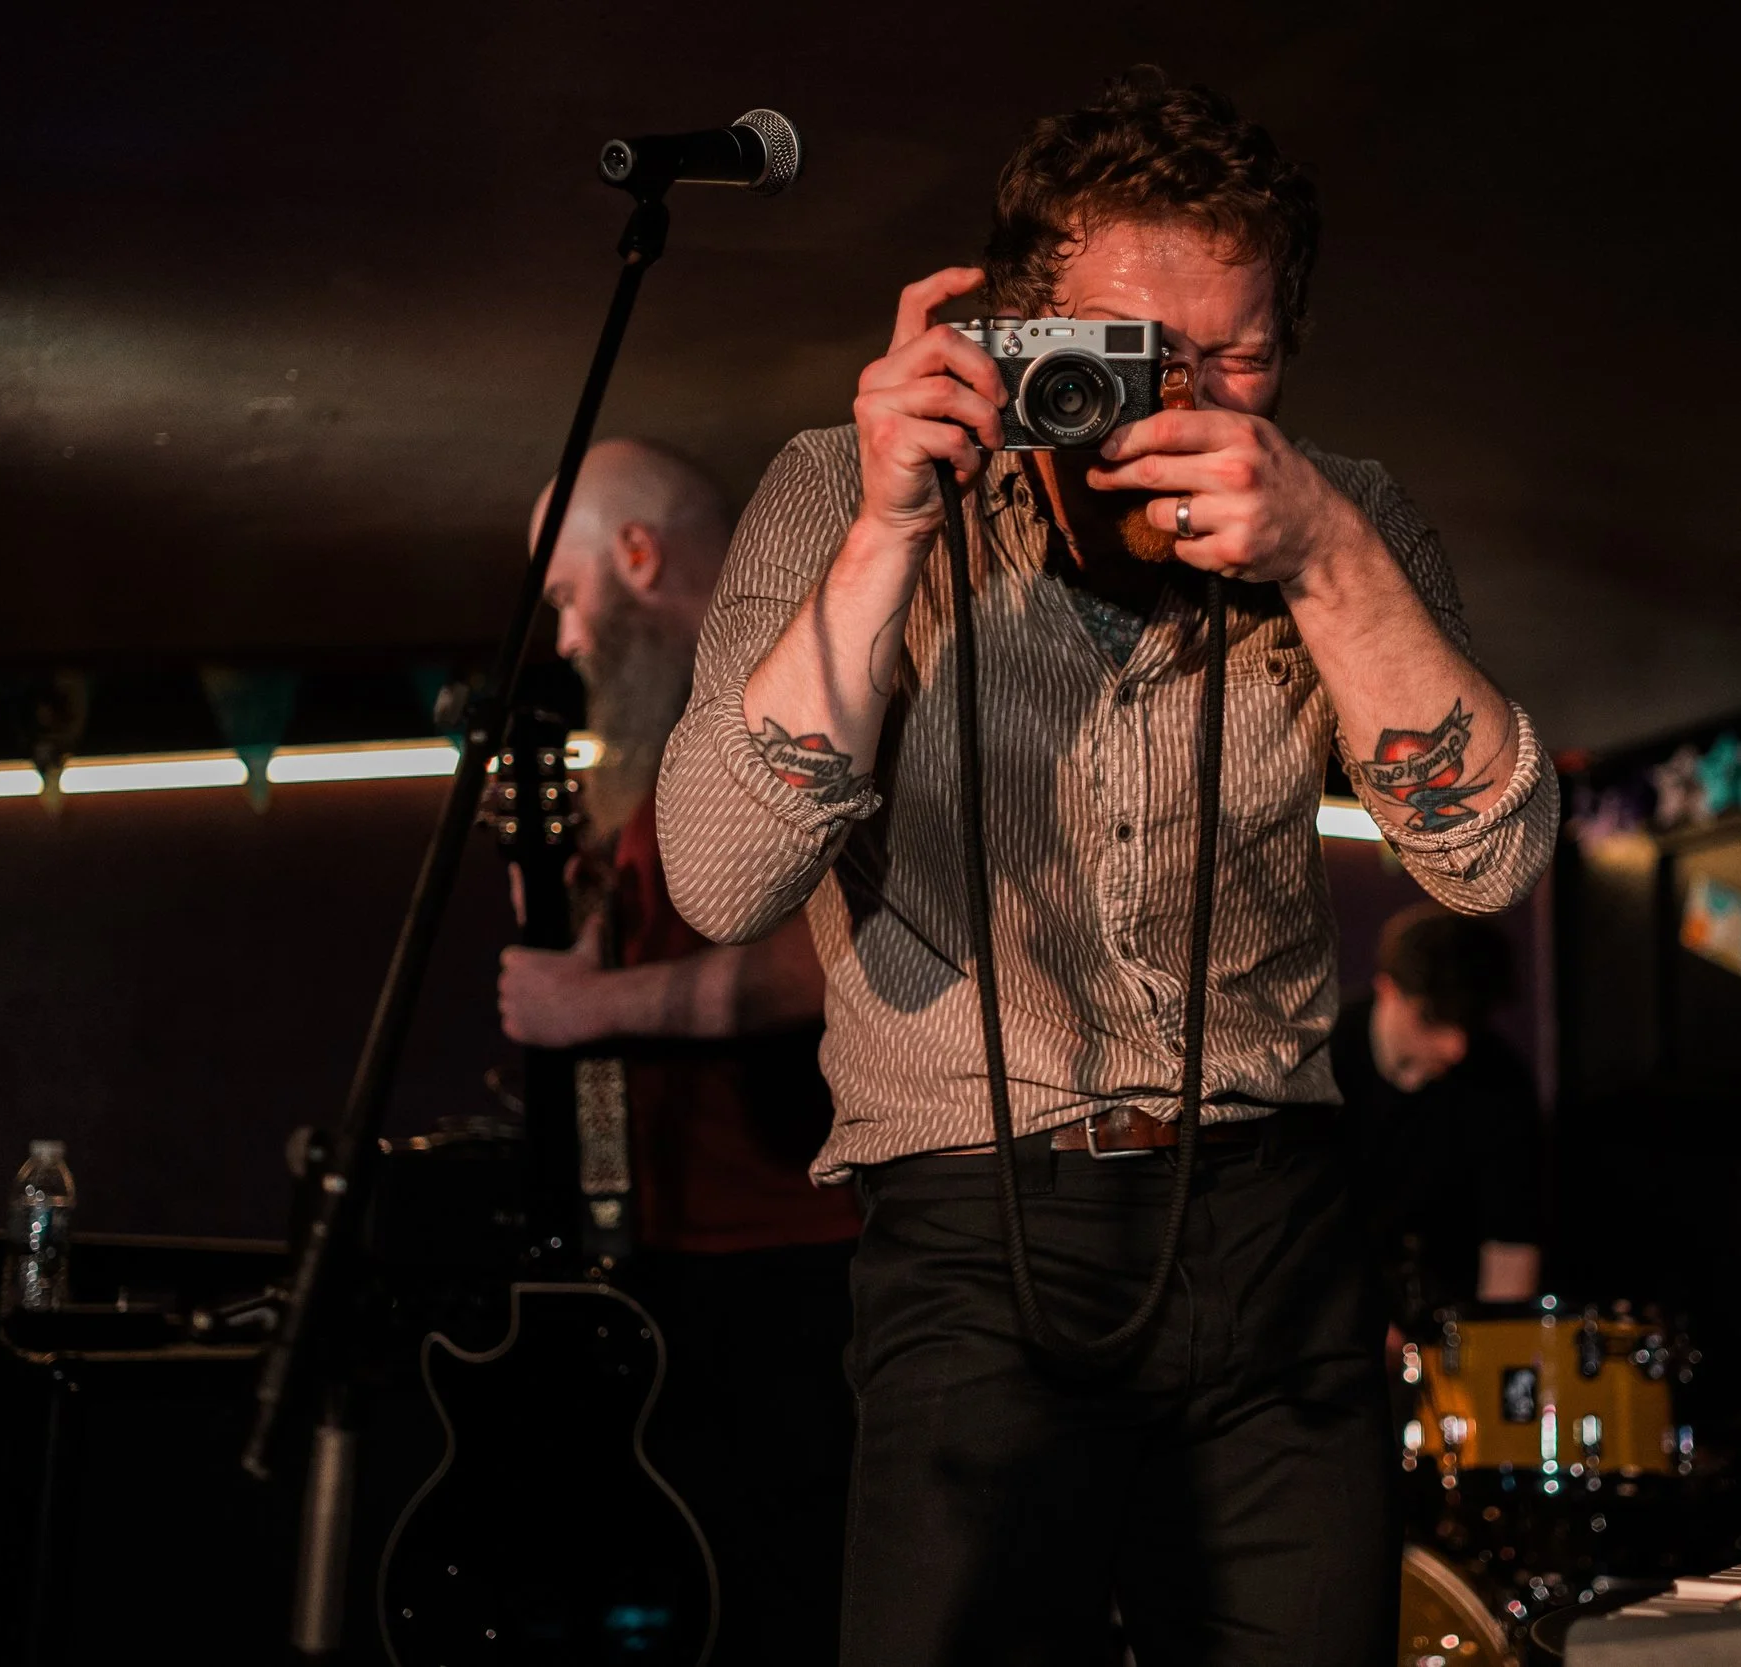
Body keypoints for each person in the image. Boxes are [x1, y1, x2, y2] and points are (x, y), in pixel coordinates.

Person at [658, 71, 1559, 1666]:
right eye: (1136, 351)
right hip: (973, 1228)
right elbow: (719, 876)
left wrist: (1327, 558)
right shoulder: (837, 487)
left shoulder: (1348, 519)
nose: (1182, 397)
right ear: (1012, 333)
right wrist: (885, 532)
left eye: (1240, 356)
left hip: (1276, 1222)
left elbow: (1490, 866)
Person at [493, 437, 863, 1667]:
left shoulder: (784, 698)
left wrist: (586, 1009)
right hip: (696, 1260)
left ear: (638, 555)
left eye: (566, 595)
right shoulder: (664, 752)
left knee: (786, 1601)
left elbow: (822, 968)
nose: (564, 641)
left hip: (797, 1267)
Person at [1331, 902, 1545, 1336]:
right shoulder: (1321, 1056)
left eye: (1469, 1023)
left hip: (1452, 1323)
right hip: (1329, 1316)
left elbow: (1510, 1245)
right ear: (1387, 990)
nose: (1455, 1047)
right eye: (1433, 1019)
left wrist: (1487, 1351)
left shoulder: (1500, 1080)